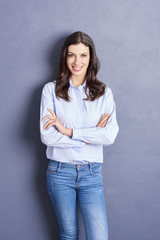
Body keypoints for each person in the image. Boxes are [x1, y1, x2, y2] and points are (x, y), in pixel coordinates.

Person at [40, 31, 119, 240]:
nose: (77, 61)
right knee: (69, 234)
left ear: (91, 57)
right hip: (59, 172)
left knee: (98, 236)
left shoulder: (103, 93)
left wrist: (67, 131)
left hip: (91, 174)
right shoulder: (51, 91)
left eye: (83, 55)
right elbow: (48, 137)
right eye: (71, 55)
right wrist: (91, 135)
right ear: (64, 57)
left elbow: (109, 136)